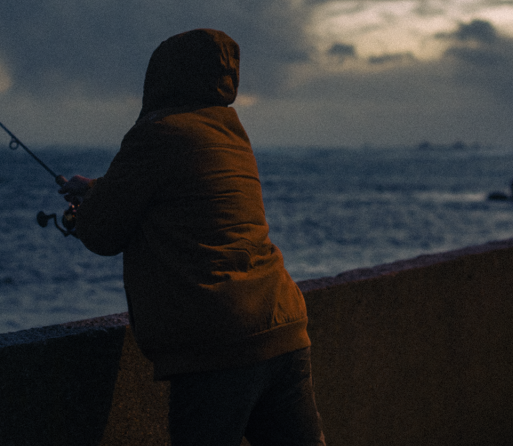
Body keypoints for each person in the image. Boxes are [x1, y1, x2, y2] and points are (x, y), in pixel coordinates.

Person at [59, 29, 326, 446]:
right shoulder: (229, 130)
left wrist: (83, 213)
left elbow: (101, 233)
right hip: (280, 324)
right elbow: (185, 196)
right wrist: (98, 190)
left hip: (218, 343)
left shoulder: (157, 133)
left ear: (163, 76)